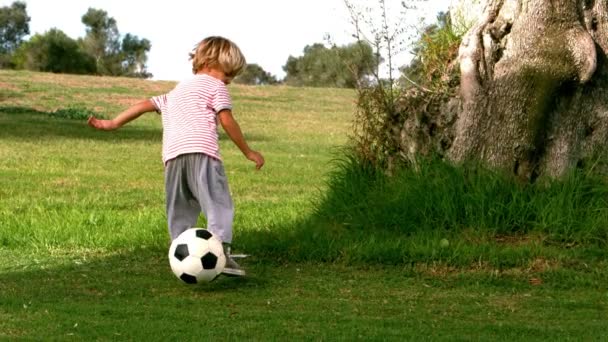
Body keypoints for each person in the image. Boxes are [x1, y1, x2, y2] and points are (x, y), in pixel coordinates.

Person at [88, 36, 264, 277]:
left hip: (173, 158)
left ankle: (180, 253)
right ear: (213, 64)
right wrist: (248, 151)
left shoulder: (178, 90)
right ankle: (221, 253)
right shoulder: (216, 87)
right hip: (203, 153)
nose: (229, 81)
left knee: (180, 208)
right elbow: (226, 120)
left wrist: (113, 123)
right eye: (228, 75)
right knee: (218, 203)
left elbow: (144, 104)